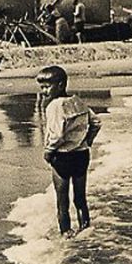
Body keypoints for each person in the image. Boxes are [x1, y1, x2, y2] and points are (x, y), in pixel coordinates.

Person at [38, 65, 102, 238]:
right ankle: (86, 230)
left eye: (47, 87)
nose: (43, 91)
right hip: (81, 154)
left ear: (60, 85)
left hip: (62, 156)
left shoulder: (54, 106)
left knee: (62, 201)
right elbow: (96, 122)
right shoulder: (77, 101)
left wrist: (48, 151)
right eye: (42, 87)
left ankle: (66, 234)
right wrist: (87, 141)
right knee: (80, 198)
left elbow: (57, 134)